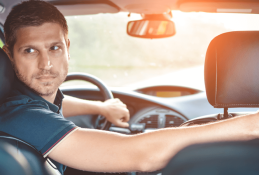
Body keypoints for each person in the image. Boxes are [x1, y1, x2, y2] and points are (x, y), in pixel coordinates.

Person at [0, 1, 259, 174]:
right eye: (30, 50)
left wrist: (102, 107)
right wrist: (251, 125)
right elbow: (140, 154)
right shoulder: (18, 115)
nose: (46, 64)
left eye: (54, 48)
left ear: (68, 47)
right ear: (10, 56)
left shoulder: (25, 103)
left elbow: (57, 107)